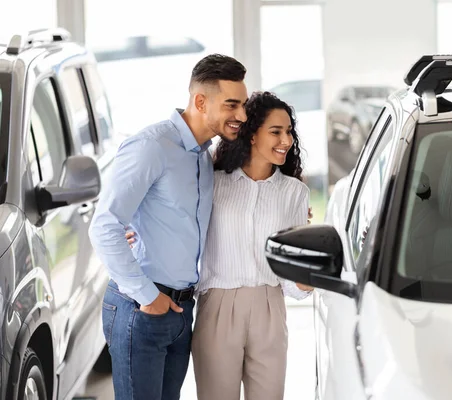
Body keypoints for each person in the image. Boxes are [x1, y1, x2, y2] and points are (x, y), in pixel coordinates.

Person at [127, 91, 313, 400]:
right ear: (252, 135)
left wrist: (307, 279)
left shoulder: (295, 193)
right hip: (218, 306)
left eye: (289, 132)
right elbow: (174, 218)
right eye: (276, 131)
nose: (287, 140)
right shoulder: (213, 183)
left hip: (270, 306)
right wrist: (132, 229)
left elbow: (290, 278)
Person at [88, 54, 249, 400]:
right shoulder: (151, 146)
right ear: (201, 101)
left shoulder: (204, 158)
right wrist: (148, 296)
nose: (242, 116)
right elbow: (104, 226)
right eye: (232, 105)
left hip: (181, 310)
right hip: (142, 308)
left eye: (244, 105)